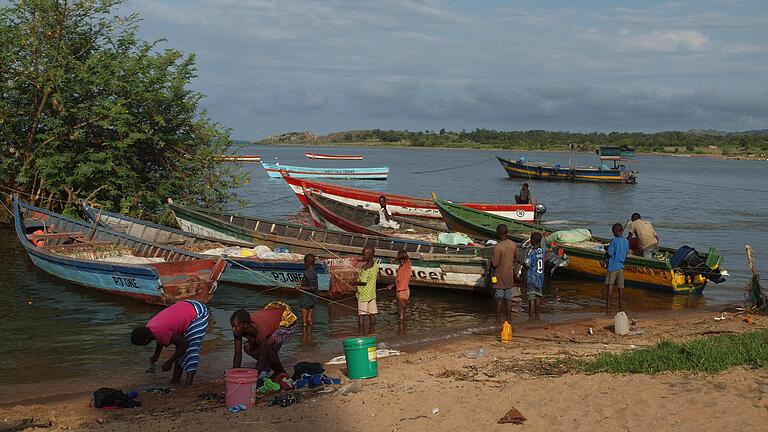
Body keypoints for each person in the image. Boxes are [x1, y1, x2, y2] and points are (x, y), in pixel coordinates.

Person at [131, 300, 209, 386]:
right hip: (186, 306)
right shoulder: (150, 327)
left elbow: (184, 344)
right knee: (179, 349)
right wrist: (156, 355)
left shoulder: (159, 331)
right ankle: (175, 380)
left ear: (146, 340)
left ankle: (188, 383)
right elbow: (160, 337)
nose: (144, 345)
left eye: (142, 344)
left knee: (190, 347)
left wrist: (170, 361)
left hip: (198, 312)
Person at [230, 302, 297, 389]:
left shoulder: (259, 330)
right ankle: (274, 368)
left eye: (235, 327)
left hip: (286, 322)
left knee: (266, 348)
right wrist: (234, 376)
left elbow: (263, 357)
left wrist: (252, 379)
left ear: (246, 326)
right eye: (232, 326)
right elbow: (237, 354)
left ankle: (281, 372)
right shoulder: (238, 329)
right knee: (248, 348)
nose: (233, 329)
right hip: (270, 317)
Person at [491, 224, 519, 322]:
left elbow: (495, 263)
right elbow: (516, 258)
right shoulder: (513, 244)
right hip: (509, 275)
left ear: (498, 233)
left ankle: (497, 318)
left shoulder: (498, 247)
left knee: (499, 297)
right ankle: (508, 317)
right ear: (507, 232)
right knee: (508, 297)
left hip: (499, 275)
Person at [605, 223, 629, 309]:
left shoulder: (614, 240)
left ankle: (608, 305)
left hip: (612, 266)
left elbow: (610, 253)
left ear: (615, 231)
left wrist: (606, 249)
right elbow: (626, 253)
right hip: (621, 266)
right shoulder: (626, 241)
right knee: (620, 287)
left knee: (610, 285)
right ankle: (620, 305)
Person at [355, 246, 379, 331]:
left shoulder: (365, 268)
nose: (363, 257)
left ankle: (360, 333)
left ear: (371, 255)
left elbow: (363, 282)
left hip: (363, 294)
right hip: (372, 293)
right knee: (372, 314)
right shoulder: (375, 265)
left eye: (364, 255)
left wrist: (354, 282)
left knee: (361, 315)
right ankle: (372, 331)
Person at [386, 250, 411, 321]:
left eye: (402, 259)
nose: (401, 260)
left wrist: (395, 258)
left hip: (403, 291)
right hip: (400, 291)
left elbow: (404, 255)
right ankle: (403, 327)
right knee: (402, 309)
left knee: (401, 310)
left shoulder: (407, 264)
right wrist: (392, 285)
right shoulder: (400, 267)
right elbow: (398, 280)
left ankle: (401, 327)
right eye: (400, 259)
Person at [525, 232, 545, 319]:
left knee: (531, 297)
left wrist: (521, 262)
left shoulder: (531, 251)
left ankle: (530, 316)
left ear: (533, 241)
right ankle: (537, 315)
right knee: (538, 297)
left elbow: (527, 264)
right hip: (540, 278)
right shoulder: (543, 251)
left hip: (532, 278)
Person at [297, 254, 318, 329]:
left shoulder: (307, 273)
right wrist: (302, 283)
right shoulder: (313, 272)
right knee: (309, 318)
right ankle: (310, 334)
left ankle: (304, 336)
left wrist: (300, 287)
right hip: (312, 298)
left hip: (306, 299)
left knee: (304, 320)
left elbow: (312, 287)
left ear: (306, 263)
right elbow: (311, 284)